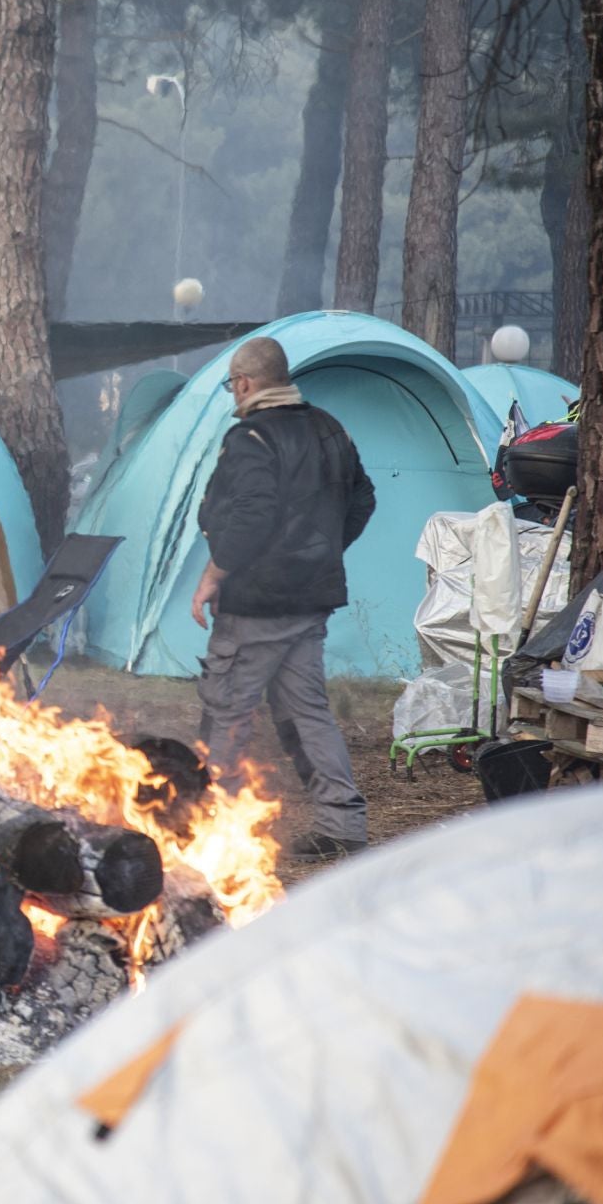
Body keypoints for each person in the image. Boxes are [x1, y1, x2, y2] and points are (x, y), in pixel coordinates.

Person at [190, 336, 377, 861]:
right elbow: (362, 498)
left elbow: (252, 514)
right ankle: (343, 826)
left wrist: (212, 574)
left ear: (246, 383)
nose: (233, 392)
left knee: (226, 710)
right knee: (308, 711)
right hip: (309, 601)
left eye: (233, 383)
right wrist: (319, 553)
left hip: (255, 604)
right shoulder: (328, 429)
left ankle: (212, 832)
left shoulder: (251, 439)